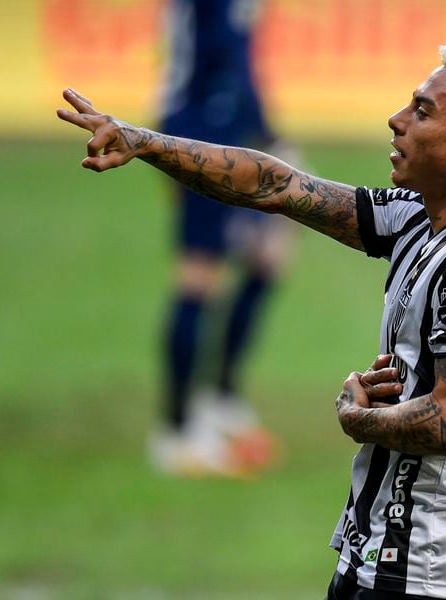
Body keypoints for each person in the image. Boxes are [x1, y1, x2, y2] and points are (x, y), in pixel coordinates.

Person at [58, 43, 446, 599]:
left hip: (434, 576)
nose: (398, 120)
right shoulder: (419, 218)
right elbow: (277, 185)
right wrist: (144, 142)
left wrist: (360, 420)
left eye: (424, 111)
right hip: (375, 555)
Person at [152, 0, 292, 478]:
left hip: (216, 123)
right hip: (205, 128)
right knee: (199, 275)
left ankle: (218, 398)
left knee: (267, 259)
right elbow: (228, 56)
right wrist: (270, 138)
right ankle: (176, 431)